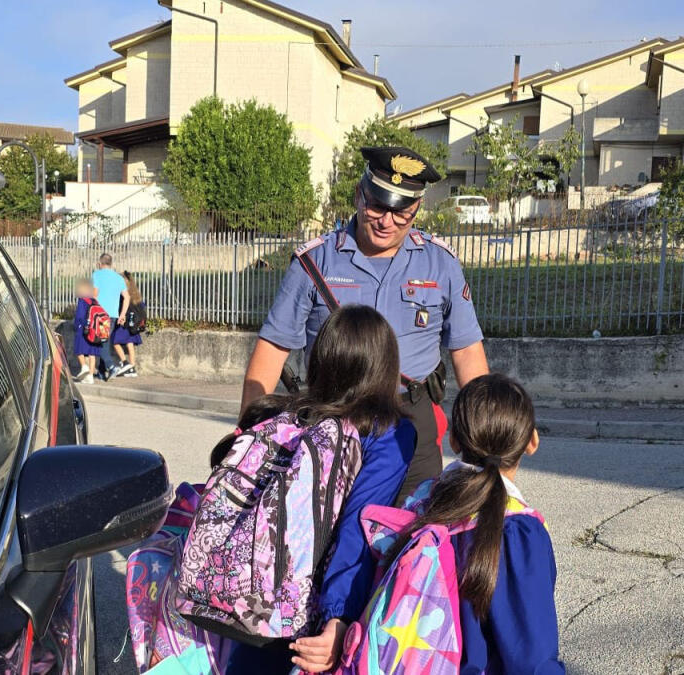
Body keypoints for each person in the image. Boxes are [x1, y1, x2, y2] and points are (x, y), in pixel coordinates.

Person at [242, 146, 489, 504]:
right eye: (377, 205)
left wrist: (482, 442)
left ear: (417, 208)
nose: (386, 221)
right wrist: (248, 436)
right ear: (359, 194)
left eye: (401, 211)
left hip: (413, 421)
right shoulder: (315, 262)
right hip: (332, 418)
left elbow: (466, 351)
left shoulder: (441, 265)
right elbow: (272, 349)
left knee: (411, 534)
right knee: (327, 535)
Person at [222, 305, 417, 674]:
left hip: (252, 597)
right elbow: (359, 525)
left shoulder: (283, 415)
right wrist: (339, 617)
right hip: (311, 608)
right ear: (386, 367)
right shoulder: (387, 433)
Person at [389, 374, 565, 674]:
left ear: (453, 439)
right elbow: (532, 661)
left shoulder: (421, 504)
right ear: (531, 441)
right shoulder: (517, 533)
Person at [91, 252, 129, 379]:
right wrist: (122, 314)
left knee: (100, 343)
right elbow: (127, 297)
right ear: (111, 264)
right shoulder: (119, 278)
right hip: (113, 315)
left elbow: (94, 294)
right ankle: (102, 373)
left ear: (100, 263)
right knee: (105, 341)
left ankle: (111, 367)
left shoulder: (96, 275)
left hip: (100, 314)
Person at [111, 270, 143, 378]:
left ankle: (125, 363)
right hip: (133, 323)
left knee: (115, 342)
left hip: (124, 322)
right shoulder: (135, 292)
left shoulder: (123, 293)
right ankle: (132, 367)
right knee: (130, 343)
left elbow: (122, 306)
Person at [71, 280, 102, 384]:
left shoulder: (82, 300)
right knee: (91, 354)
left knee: (79, 351)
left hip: (83, 330)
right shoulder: (95, 300)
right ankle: (91, 376)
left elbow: (79, 316)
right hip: (94, 330)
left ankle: (84, 366)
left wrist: (76, 326)